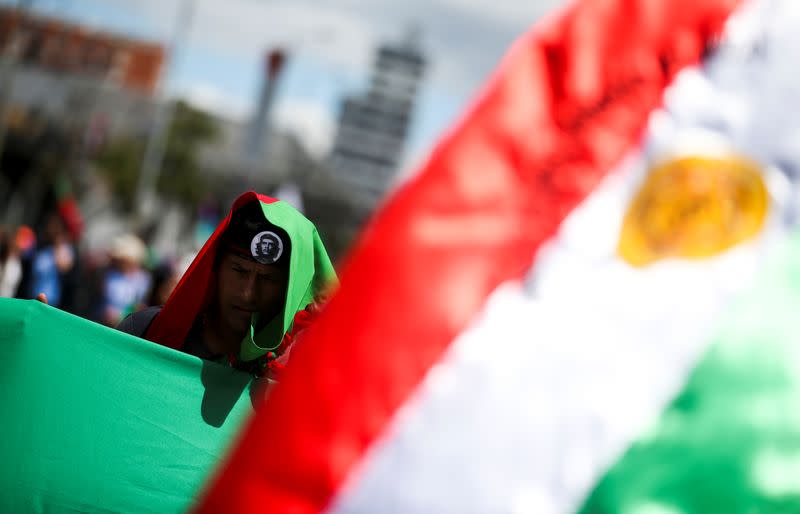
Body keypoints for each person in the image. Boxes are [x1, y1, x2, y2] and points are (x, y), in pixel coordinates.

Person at [117, 191, 337, 383]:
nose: (248, 292)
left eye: (268, 279)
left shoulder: (297, 384)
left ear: (290, 290)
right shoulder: (146, 332)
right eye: (239, 271)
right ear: (216, 267)